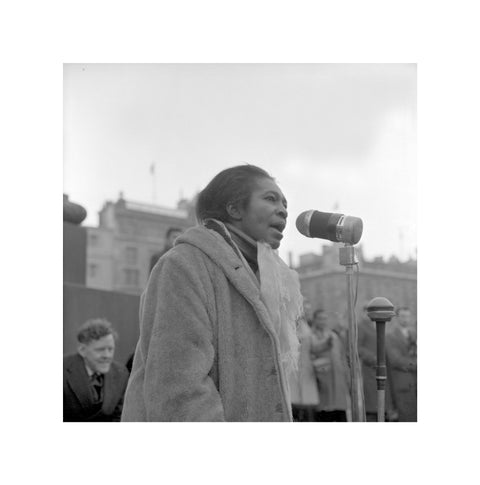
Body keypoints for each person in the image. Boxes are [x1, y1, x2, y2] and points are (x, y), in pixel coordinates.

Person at [121, 164, 304, 422]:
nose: (284, 210)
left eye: (285, 203)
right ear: (234, 208)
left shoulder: (267, 277)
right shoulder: (184, 264)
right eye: (270, 198)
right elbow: (179, 389)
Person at [64, 318, 129, 422]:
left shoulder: (121, 373)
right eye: (100, 350)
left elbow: (118, 417)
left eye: (110, 349)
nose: (107, 356)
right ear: (82, 350)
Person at [310, 309, 351, 421]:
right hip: (322, 379)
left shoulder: (333, 335)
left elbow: (342, 356)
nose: (323, 321)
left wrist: (346, 375)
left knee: (340, 412)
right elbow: (313, 350)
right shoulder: (310, 336)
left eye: (325, 318)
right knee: (324, 412)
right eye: (320, 318)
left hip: (338, 378)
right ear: (314, 320)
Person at [357, 304, 395, 421]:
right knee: (372, 403)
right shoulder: (361, 326)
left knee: (384, 400)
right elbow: (357, 347)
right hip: (370, 369)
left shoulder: (380, 324)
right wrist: (373, 358)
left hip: (384, 367)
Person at [290, 299, 320, 422]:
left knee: (307, 398)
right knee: (294, 395)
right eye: (305, 309)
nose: (307, 312)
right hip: (295, 365)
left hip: (306, 365)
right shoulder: (294, 325)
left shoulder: (307, 325)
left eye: (308, 309)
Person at [386, 307, 417, 422]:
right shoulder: (390, 336)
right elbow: (396, 360)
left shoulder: (415, 333)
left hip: (416, 383)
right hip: (402, 384)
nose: (406, 319)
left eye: (408, 316)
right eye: (403, 316)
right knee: (407, 418)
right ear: (397, 318)